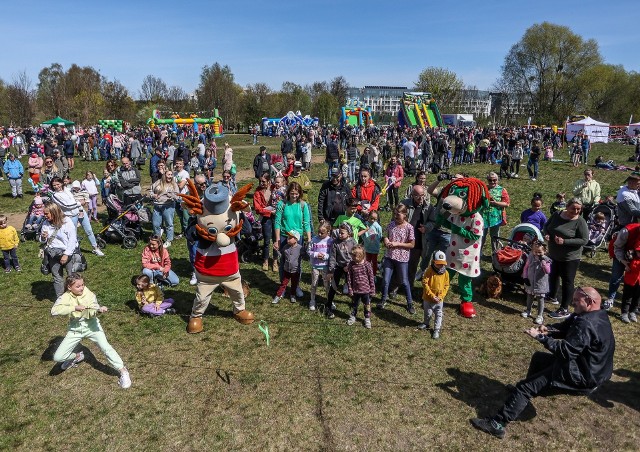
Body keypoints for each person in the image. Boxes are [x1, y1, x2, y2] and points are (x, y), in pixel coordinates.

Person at [471, 287, 614, 439]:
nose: (572, 303)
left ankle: (497, 425)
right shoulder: (594, 314)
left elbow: (565, 351)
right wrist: (549, 329)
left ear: (590, 301)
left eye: (576, 300)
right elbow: (567, 327)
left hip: (583, 375)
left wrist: (541, 338)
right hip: (588, 367)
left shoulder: (587, 323)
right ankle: (525, 396)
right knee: (539, 359)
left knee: (524, 388)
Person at [51, 273, 132, 389]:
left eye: (83, 285)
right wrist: (74, 308)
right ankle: (77, 356)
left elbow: (91, 311)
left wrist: (98, 310)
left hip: (92, 327)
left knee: (106, 348)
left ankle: (123, 371)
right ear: (69, 287)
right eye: (78, 286)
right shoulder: (65, 297)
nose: (82, 288)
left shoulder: (89, 294)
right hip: (75, 330)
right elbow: (54, 311)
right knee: (58, 357)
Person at [543, 198, 589, 319]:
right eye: (573, 208)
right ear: (567, 206)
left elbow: (584, 240)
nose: (576, 211)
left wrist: (565, 241)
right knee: (553, 275)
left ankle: (564, 308)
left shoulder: (580, 221)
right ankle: (552, 296)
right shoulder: (557, 214)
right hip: (553, 254)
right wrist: (546, 234)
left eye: (579, 209)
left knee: (567, 281)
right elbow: (546, 226)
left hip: (570, 258)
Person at [606, 172, 640, 309]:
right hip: (625, 231)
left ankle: (633, 303)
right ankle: (610, 298)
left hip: (636, 232)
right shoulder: (624, 194)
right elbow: (633, 211)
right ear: (629, 181)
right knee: (617, 272)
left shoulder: (636, 192)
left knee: (636, 271)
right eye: (635, 182)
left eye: (638, 182)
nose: (637, 184)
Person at [379, 204, 416, 313]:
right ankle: (383, 300)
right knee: (385, 280)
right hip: (389, 257)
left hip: (402, 258)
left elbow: (412, 245)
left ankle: (409, 303)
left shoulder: (409, 227)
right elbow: (385, 235)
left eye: (398, 214)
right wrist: (386, 240)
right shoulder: (391, 225)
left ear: (405, 215)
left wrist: (397, 244)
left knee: (404, 281)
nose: (395, 216)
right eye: (394, 214)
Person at [39, 203, 78, 298]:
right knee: (57, 277)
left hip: (67, 252)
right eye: (44, 213)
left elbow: (72, 240)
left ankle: (75, 296)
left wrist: (66, 254)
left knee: (72, 276)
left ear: (54, 213)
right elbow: (42, 240)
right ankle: (60, 299)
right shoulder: (45, 223)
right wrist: (43, 238)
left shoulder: (67, 222)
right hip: (53, 253)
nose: (45, 216)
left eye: (47, 213)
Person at [326, 222, 356, 319]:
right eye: (339, 232)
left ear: (349, 233)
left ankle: (354, 303)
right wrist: (331, 270)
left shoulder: (353, 242)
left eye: (342, 233)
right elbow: (332, 257)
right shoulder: (335, 243)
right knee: (333, 286)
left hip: (350, 267)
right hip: (338, 267)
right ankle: (328, 305)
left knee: (352, 285)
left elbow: (356, 255)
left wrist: (350, 265)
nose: (340, 234)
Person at [418, 250, 450, 339]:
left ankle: (437, 329)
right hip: (428, 298)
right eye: (438, 263)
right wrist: (432, 295)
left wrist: (441, 296)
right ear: (433, 262)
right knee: (427, 312)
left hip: (439, 299)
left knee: (438, 314)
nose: (440, 266)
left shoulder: (446, 273)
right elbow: (425, 283)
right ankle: (426, 323)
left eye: (442, 264)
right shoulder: (429, 271)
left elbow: (446, 285)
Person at [522, 241, 551, 325]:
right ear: (532, 251)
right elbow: (526, 267)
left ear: (544, 251)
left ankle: (539, 315)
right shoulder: (531, 257)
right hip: (531, 281)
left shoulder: (546, 259)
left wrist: (543, 263)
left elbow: (548, 271)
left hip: (540, 283)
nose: (537, 254)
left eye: (540, 252)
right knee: (529, 296)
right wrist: (525, 277)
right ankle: (528, 310)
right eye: (535, 251)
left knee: (540, 299)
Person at [346, 245, 375, 329]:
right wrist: (350, 289)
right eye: (352, 256)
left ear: (361, 256)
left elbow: (371, 278)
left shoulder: (367, 265)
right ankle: (353, 316)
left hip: (366, 290)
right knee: (354, 305)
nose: (353, 258)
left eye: (355, 256)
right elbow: (349, 278)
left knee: (367, 305)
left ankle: (367, 318)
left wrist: (372, 290)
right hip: (356, 291)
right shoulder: (351, 265)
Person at [482, 172, 510, 254]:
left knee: (495, 237)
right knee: (482, 236)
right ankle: (479, 253)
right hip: (483, 217)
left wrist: (495, 203)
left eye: (494, 180)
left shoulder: (502, 190)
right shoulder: (483, 189)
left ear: (497, 180)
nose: (492, 182)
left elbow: (506, 203)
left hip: (496, 218)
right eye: (490, 180)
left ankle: (495, 253)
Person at [272, 230, 303, 305]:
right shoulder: (285, 247)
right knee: (283, 283)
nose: (287, 239)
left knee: (294, 284)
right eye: (287, 237)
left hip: (296, 271)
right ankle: (278, 295)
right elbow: (281, 255)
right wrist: (277, 250)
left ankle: (292, 295)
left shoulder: (300, 248)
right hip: (286, 270)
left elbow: (306, 255)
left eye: (290, 238)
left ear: (296, 239)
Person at [150, 169, 179, 248]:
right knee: (156, 224)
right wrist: (153, 195)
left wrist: (171, 196)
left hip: (168, 206)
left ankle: (169, 240)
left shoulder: (174, 185)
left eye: (171, 175)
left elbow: (177, 196)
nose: (170, 176)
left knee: (169, 224)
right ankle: (158, 239)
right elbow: (151, 191)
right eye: (168, 174)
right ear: (164, 175)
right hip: (157, 205)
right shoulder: (158, 182)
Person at [253, 174, 276, 271]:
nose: (261, 183)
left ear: (269, 181)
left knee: (276, 239)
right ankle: (265, 260)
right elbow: (258, 209)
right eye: (260, 181)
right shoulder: (257, 192)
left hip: (276, 218)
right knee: (267, 240)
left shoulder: (274, 189)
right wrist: (269, 211)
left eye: (263, 181)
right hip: (265, 218)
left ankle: (275, 261)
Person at [308, 221, 333, 311]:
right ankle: (312, 300)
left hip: (325, 266)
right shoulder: (314, 240)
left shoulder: (330, 241)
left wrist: (326, 256)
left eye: (322, 233)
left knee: (327, 285)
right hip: (315, 266)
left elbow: (332, 253)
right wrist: (316, 254)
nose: (319, 234)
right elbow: (309, 251)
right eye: (318, 231)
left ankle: (329, 301)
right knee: (314, 284)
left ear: (328, 232)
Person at [362, 210, 382, 276]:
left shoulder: (378, 226)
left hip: (374, 247)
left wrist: (375, 241)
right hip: (367, 246)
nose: (373, 220)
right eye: (371, 218)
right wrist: (364, 239)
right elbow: (362, 233)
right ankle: (366, 273)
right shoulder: (365, 224)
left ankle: (374, 275)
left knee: (374, 262)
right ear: (368, 216)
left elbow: (380, 236)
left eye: (375, 219)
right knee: (367, 261)